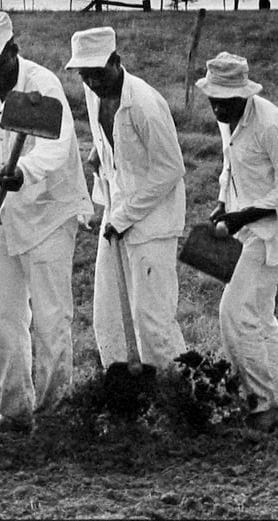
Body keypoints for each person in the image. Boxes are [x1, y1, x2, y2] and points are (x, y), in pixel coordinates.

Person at [0, 11, 93, 432]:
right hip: (8, 216)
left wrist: (24, 171)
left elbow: (58, 148)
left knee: (52, 318)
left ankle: (56, 414)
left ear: (12, 51)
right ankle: (15, 410)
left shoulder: (43, 85)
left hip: (50, 212)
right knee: (5, 316)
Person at [198, 52, 278, 429]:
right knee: (261, 319)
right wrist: (222, 204)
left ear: (244, 94)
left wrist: (246, 215)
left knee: (235, 311)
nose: (217, 107)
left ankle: (262, 405)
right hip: (247, 230)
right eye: (213, 99)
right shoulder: (228, 119)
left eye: (224, 101)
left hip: (274, 232)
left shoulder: (272, 124)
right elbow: (230, 165)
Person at [65, 26, 187, 370]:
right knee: (109, 312)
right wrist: (100, 191)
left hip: (153, 222)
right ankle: (125, 392)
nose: (92, 82)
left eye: (98, 73)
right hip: (118, 212)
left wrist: (123, 216)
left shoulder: (144, 105)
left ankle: (175, 392)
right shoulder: (94, 95)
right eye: (85, 75)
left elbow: (170, 169)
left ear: (116, 61)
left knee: (152, 318)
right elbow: (109, 149)